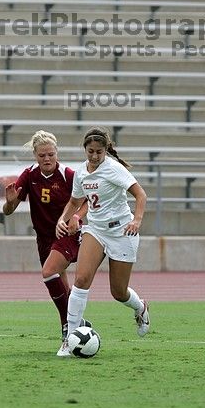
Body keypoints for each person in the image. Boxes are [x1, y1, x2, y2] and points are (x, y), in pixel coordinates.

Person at [56, 126, 150, 357]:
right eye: (91, 151)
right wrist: (63, 219)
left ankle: (140, 307)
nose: (95, 156)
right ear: (85, 150)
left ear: (106, 150)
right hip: (96, 230)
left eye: (99, 152)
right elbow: (75, 201)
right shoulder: (81, 173)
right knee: (81, 278)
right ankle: (70, 337)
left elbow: (141, 195)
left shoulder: (114, 169)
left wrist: (136, 220)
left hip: (122, 232)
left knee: (118, 292)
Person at [2, 130, 89, 350]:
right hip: (43, 239)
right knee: (60, 284)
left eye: (50, 154)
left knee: (49, 272)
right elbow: (8, 211)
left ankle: (67, 326)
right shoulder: (29, 175)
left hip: (67, 234)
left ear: (56, 152)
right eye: (42, 156)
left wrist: (76, 217)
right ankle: (78, 324)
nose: (47, 159)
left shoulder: (69, 175)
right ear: (35, 155)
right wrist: (10, 203)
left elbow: (86, 201)